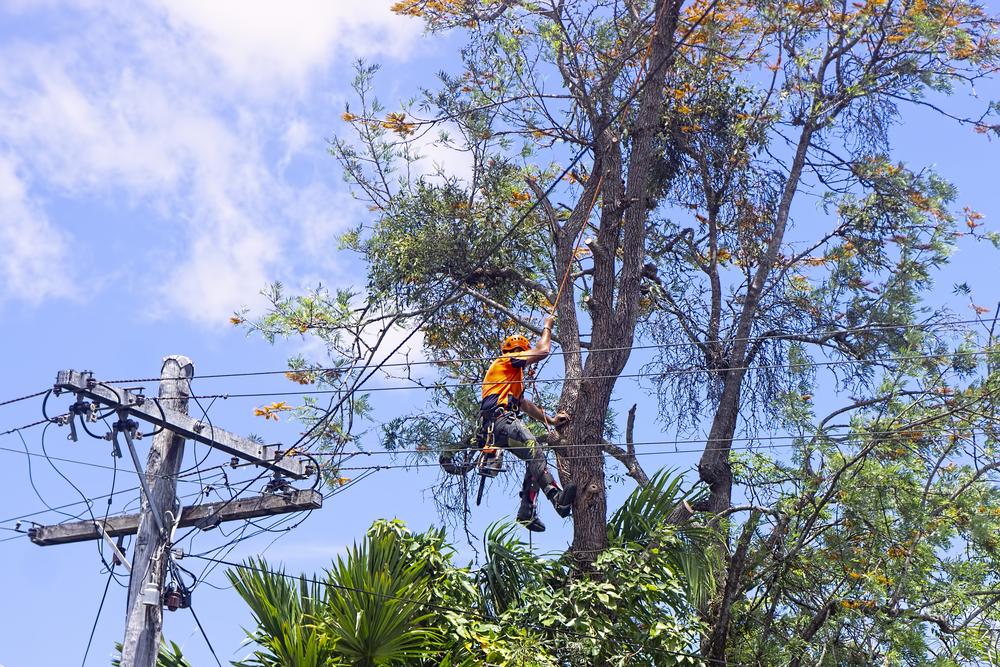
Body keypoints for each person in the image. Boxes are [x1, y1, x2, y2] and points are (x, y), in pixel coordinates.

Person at [480, 313, 576, 532]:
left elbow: (523, 404)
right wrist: (547, 327)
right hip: (501, 421)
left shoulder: (512, 380)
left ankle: (526, 512)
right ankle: (557, 499)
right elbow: (542, 351)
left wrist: (550, 420)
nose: (519, 355)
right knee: (535, 450)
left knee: (531, 456)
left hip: (498, 430)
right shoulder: (505, 361)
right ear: (511, 353)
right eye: (517, 351)